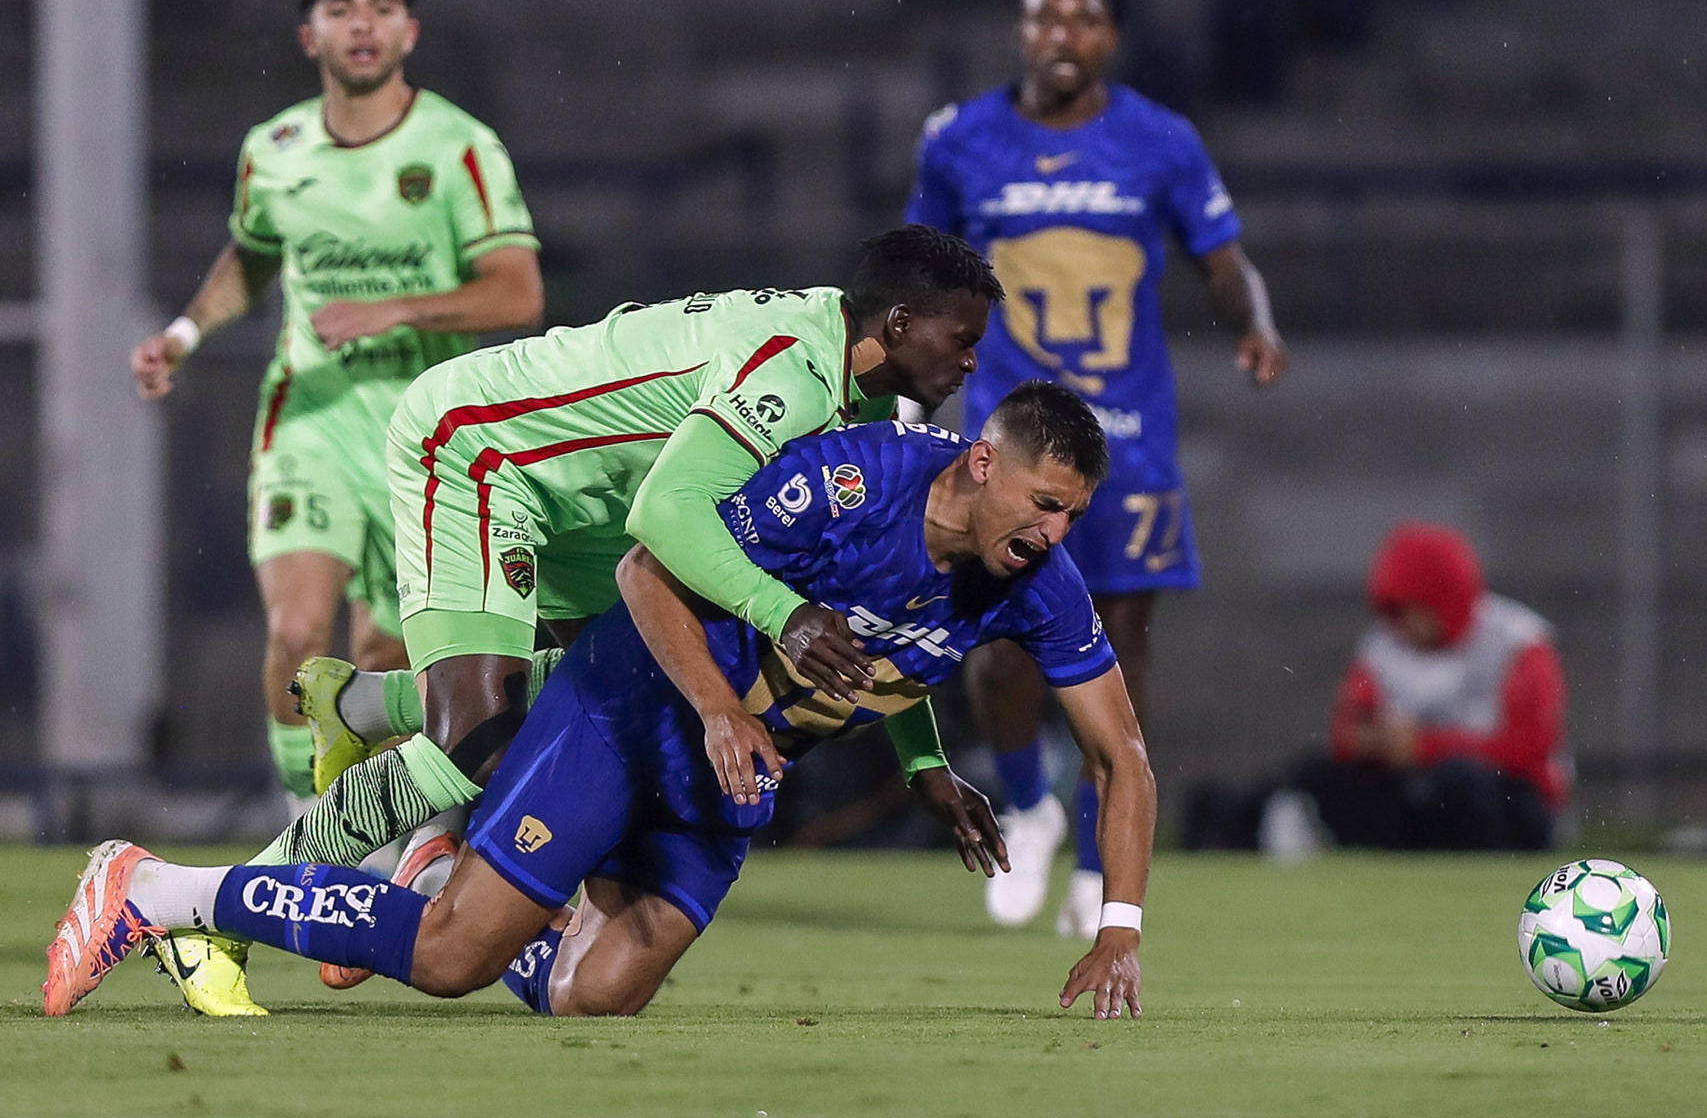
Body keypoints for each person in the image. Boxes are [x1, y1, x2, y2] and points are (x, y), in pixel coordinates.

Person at [47, 384, 1157, 1021]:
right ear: (980, 464)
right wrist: (721, 704)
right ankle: (155, 886)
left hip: (731, 771)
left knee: (597, 993)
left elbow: (1125, 759)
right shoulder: (848, 482)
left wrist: (1117, 927)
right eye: (1046, 504)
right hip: (635, 711)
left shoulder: (1035, 585)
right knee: (447, 961)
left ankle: (452, 869)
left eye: (1072, 517)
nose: (1055, 535)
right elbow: (644, 572)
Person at [156, 226, 1002, 1014]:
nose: (973, 360)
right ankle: (216, 914)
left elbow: (868, 612)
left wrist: (921, 755)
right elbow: (673, 511)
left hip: (598, 507)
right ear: (898, 324)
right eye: (962, 338)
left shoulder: (863, 414)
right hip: (485, 454)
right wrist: (785, 614)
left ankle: (372, 712)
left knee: (648, 679)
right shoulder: (795, 373)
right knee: (475, 745)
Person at [126, 0, 545, 1014]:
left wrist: (399, 310)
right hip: (308, 425)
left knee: (379, 656)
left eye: (385, 8)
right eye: (341, 8)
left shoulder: (459, 147)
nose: (363, 24)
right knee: (292, 632)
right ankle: (299, 853)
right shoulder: (272, 149)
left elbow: (516, 290)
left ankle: (360, 833)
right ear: (309, 35)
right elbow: (252, 253)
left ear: (410, 33)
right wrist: (182, 328)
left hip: (426, 437)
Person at [904, 0, 1286, 934]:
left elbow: (1223, 256)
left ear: (1110, 35)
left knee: (1121, 643)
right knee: (996, 640)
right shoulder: (959, 141)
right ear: (1020, 32)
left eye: (1081, 21)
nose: (1061, 38)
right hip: (1010, 435)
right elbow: (919, 271)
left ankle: (1092, 836)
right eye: (1043, 20)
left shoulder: (1160, 141)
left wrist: (1255, 321)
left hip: (1128, 439)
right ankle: (1027, 801)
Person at [1291, 522, 1567, 851]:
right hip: (1415, 793)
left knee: (1462, 784)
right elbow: (1346, 734)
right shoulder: (1383, 646)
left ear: (1442, 599)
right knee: (1323, 779)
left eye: (1411, 610)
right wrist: (1376, 742)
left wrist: (1424, 747)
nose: (1401, 625)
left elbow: (1530, 750)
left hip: (1507, 802)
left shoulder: (1518, 643)